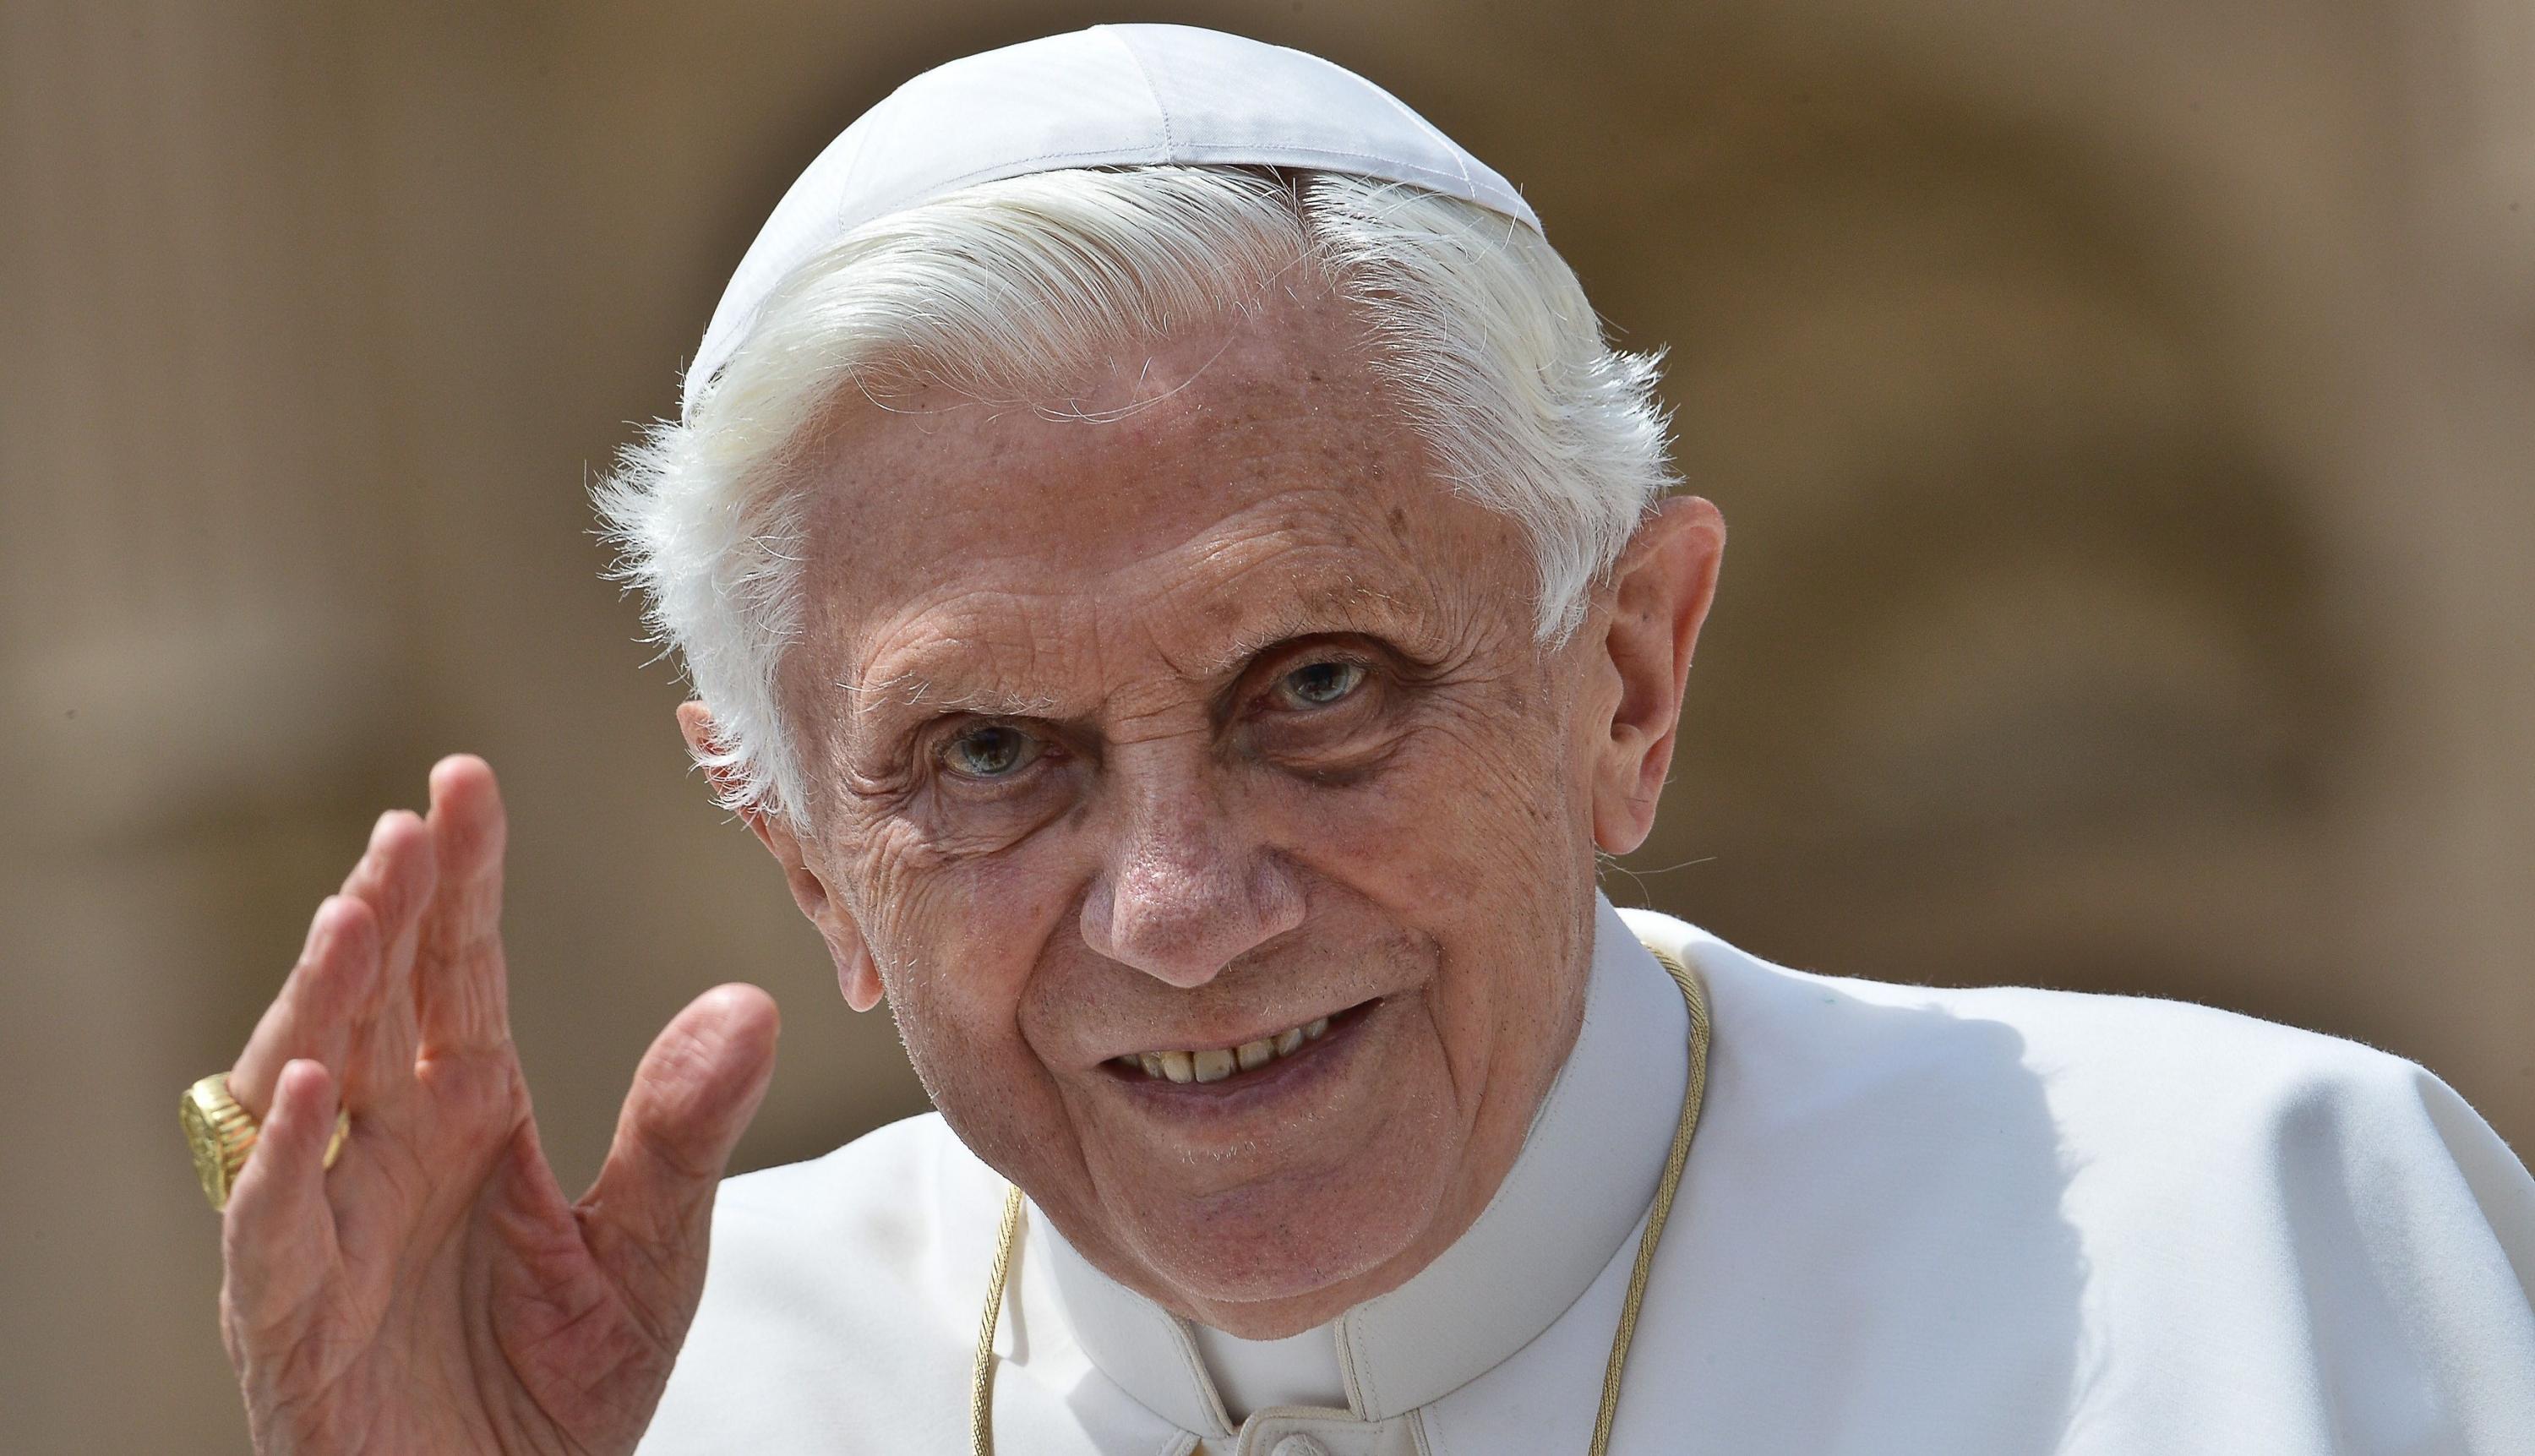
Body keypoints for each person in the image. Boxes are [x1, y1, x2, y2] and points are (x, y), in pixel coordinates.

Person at [185, 24, 2535, 1455]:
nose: (1183, 911)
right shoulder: (657, 1409)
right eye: (991, 756)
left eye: (1317, 687)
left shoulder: (2262, 1235)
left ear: (1624, 675)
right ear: (813, 863)